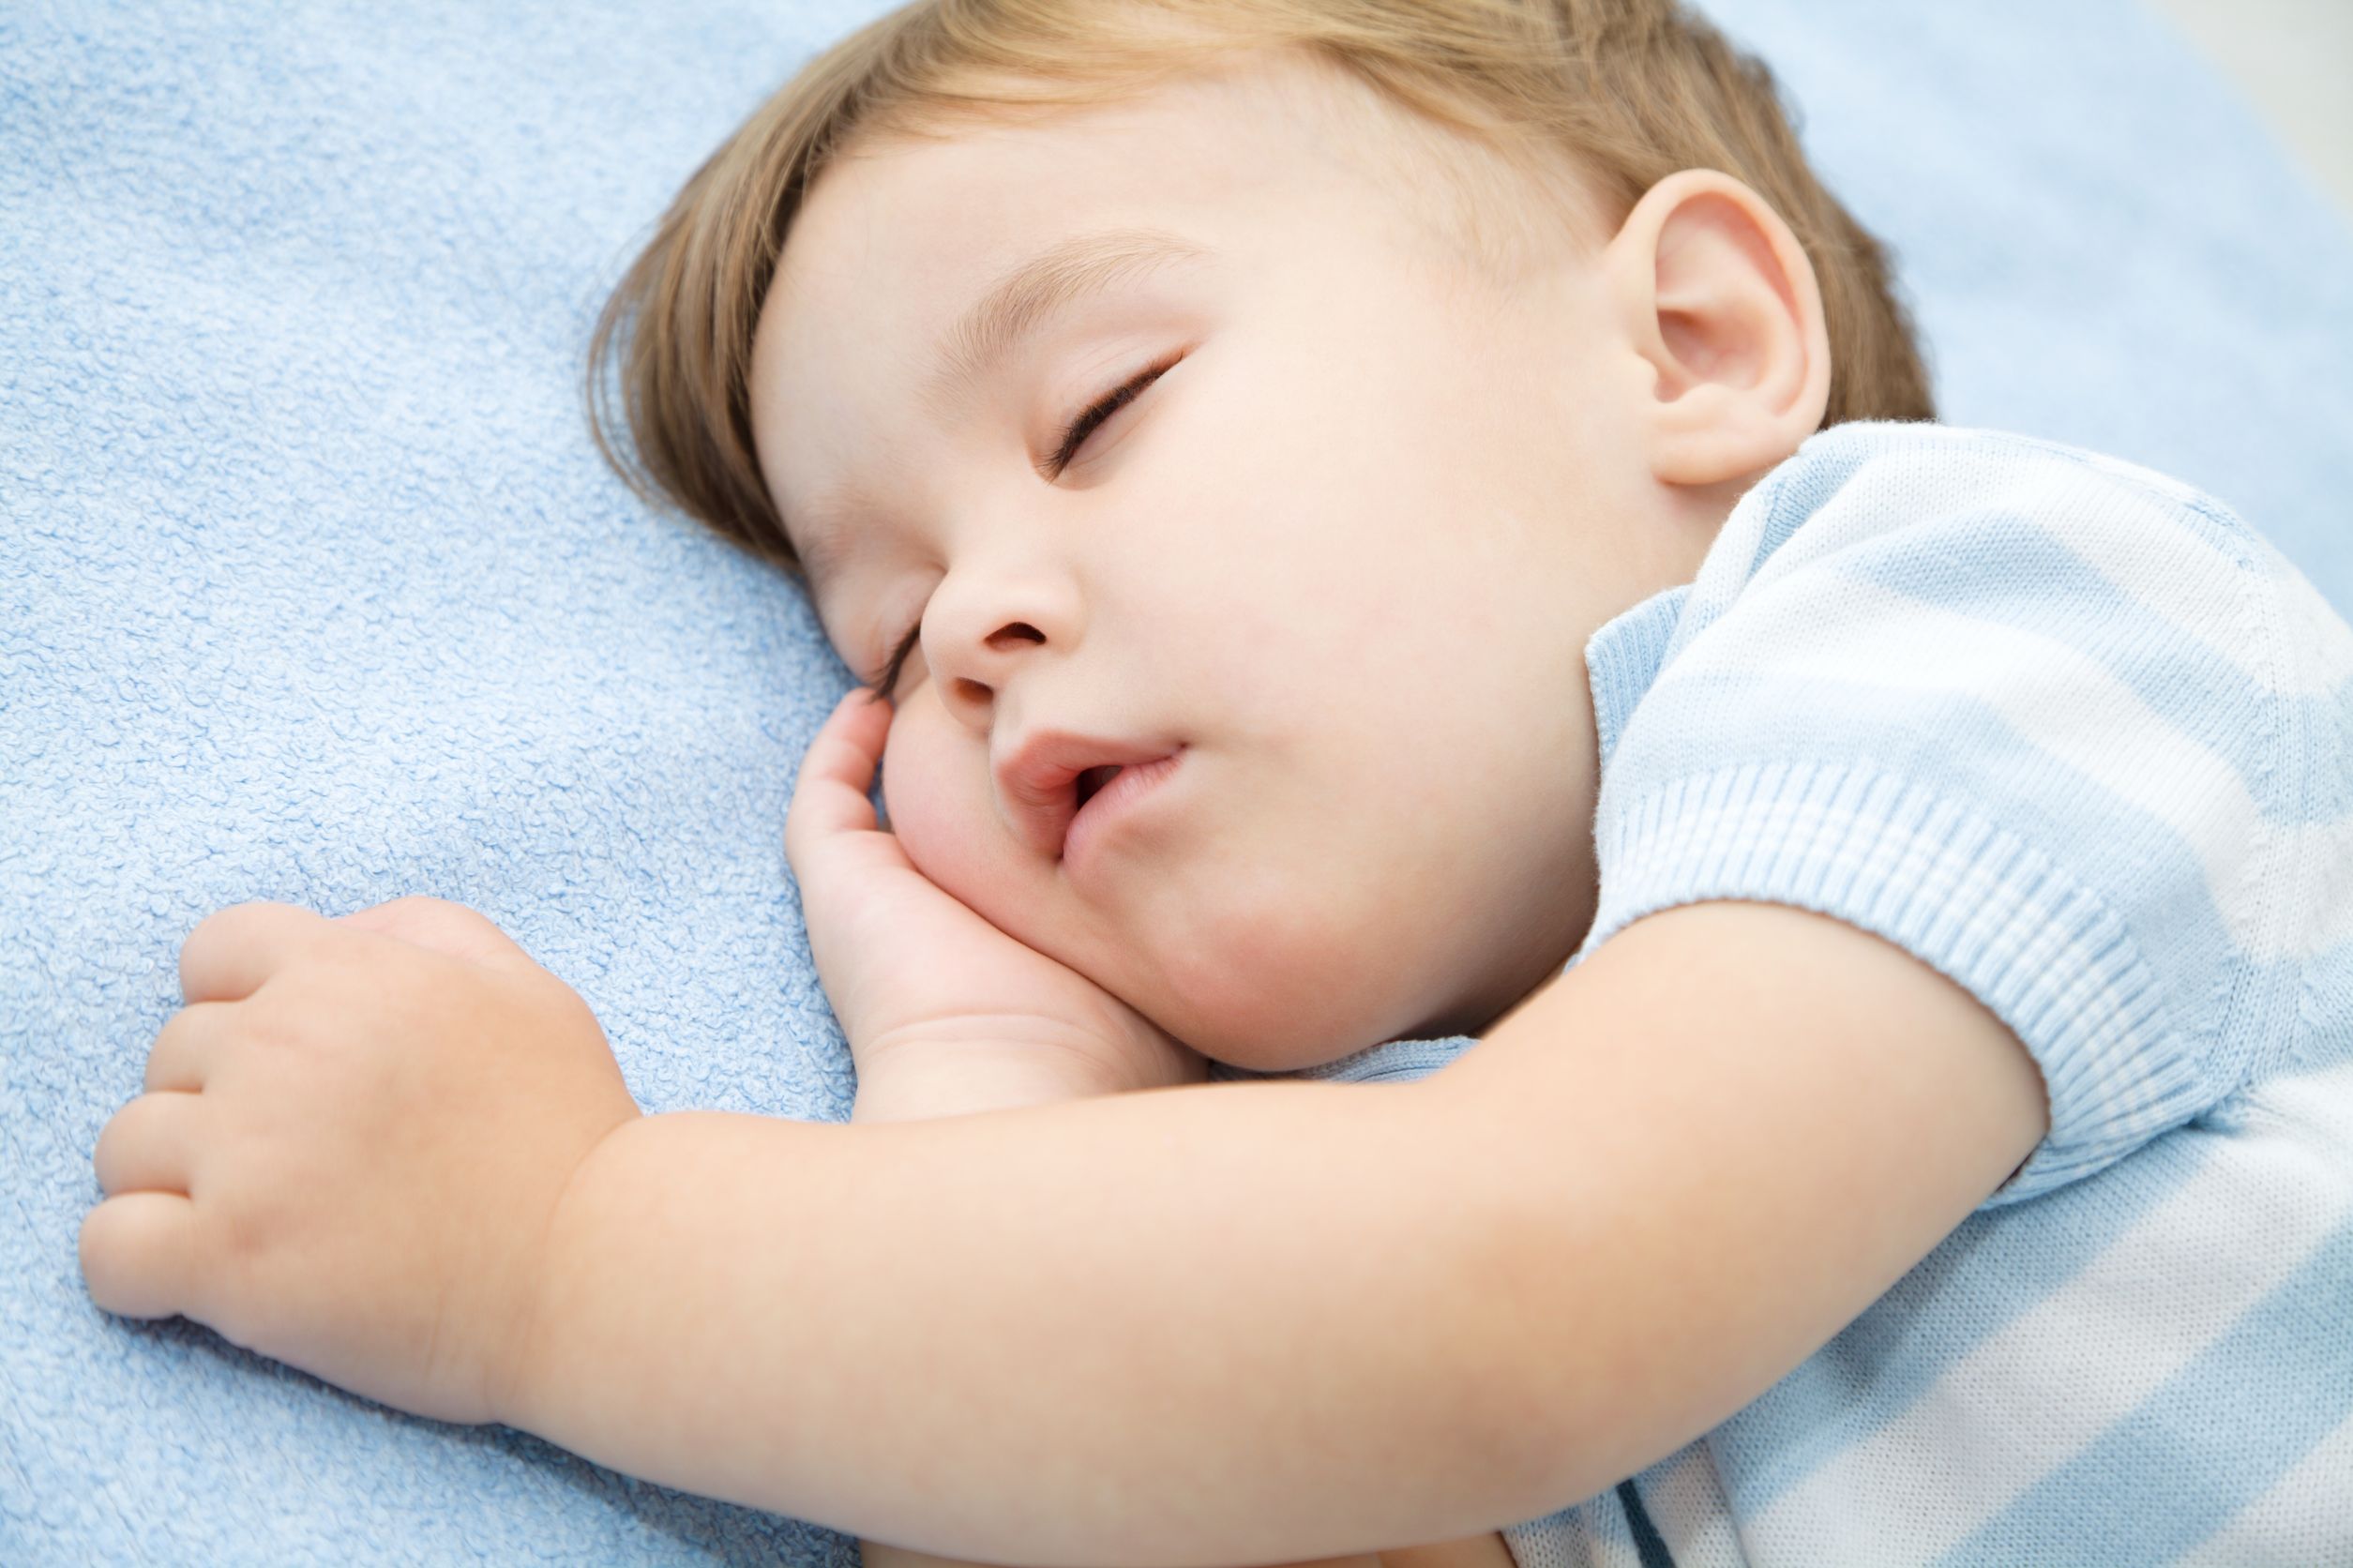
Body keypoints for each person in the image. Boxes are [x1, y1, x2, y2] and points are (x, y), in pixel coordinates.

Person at [78, 1, 2353, 1563]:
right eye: (883, 633)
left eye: (1099, 406)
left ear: (1688, 347)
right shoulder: (1326, 1188)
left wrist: (557, 1258)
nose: (973, 624)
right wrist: (993, 1080)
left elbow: (1512, 1295)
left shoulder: (1993, 601)